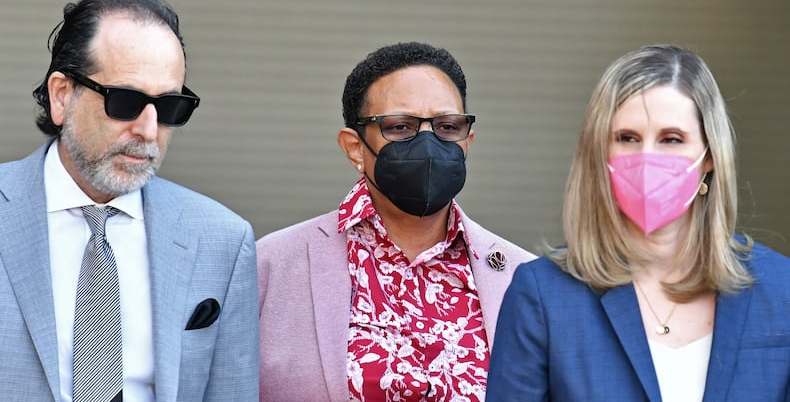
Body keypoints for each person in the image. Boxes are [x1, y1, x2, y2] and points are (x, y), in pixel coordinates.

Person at [0, 0, 259, 401]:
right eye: (125, 101)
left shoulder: (221, 241)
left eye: (171, 106)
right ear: (62, 96)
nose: (149, 130)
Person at [486, 44, 790, 401]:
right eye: (627, 138)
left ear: (709, 156)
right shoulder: (542, 296)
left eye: (671, 139)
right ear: (600, 153)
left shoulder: (781, 290)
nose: (647, 157)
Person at [256, 41, 536, 401]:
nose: (427, 143)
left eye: (447, 126)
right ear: (355, 147)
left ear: (467, 141)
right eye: (401, 127)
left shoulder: (522, 277)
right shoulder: (271, 267)